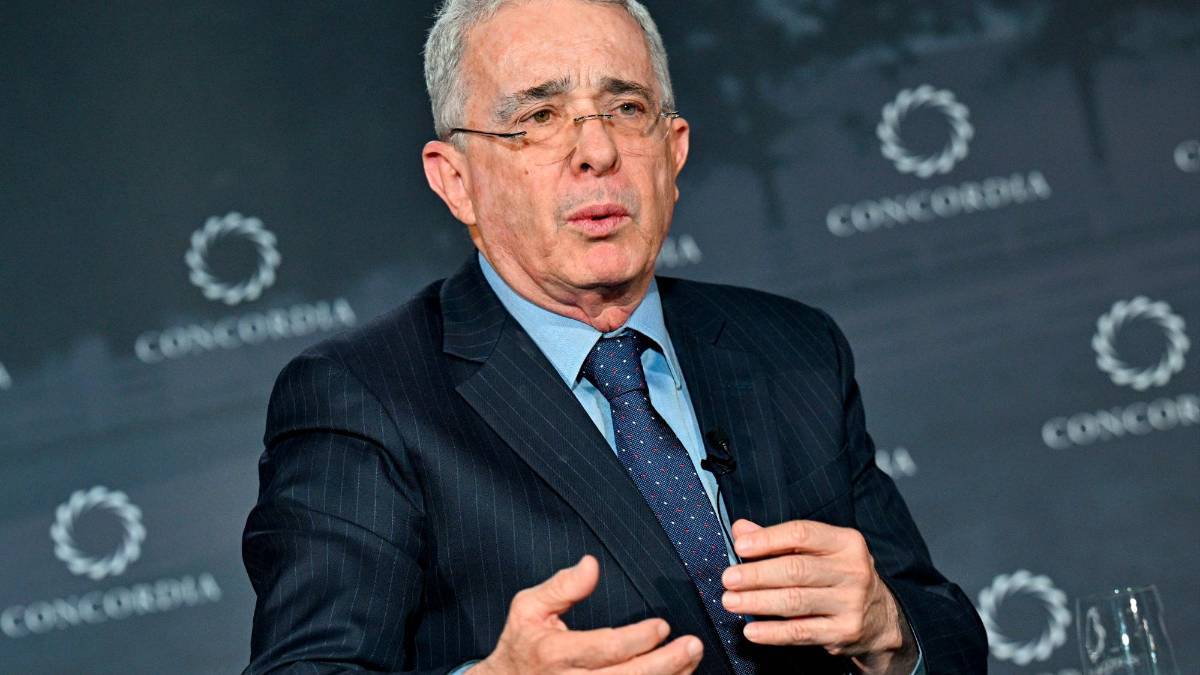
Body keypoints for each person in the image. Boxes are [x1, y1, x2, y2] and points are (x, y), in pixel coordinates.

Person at [241, 0, 987, 673]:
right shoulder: (362, 396)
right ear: (456, 180)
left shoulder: (793, 346)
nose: (597, 151)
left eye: (626, 108)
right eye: (540, 116)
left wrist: (891, 633)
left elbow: (946, 634)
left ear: (674, 151)